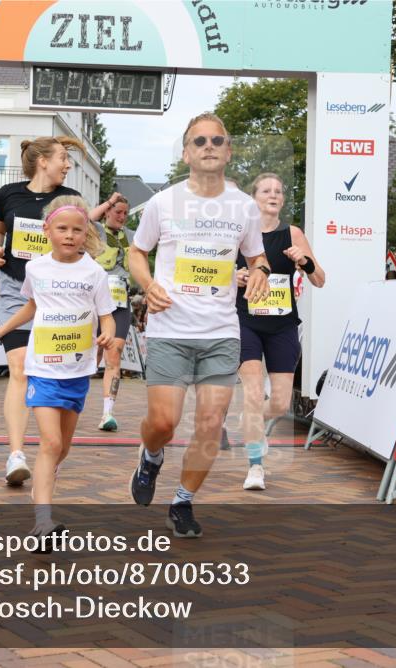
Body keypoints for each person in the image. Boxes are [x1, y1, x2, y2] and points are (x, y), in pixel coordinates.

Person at [128, 112, 271, 538]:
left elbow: (256, 256)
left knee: (210, 425)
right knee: (163, 423)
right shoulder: (163, 202)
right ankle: (151, 456)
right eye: (200, 141)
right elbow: (137, 252)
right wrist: (149, 284)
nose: (209, 146)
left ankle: (182, 502)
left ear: (228, 151)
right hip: (170, 328)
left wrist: (261, 271)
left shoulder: (244, 206)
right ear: (186, 153)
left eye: (217, 140)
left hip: (221, 332)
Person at [0, 134, 123, 486]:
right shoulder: (8, 195)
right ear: (42, 160)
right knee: (19, 367)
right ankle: (16, 454)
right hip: (19, 287)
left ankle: (52, 453)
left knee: (56, 390)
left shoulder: (70, 199)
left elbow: (86, 237)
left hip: (62, 299)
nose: (67, 164)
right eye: (63, 157)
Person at [0, 196, 116, 544]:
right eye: (62, 229)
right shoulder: (36, 268)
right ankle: (43, 523)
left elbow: (106, 315)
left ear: (86, 233)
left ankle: (44, 481)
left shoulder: (94, 273)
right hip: (42, 368)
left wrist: (107, 334)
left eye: (77, 230)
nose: (69, 235)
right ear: (47, 230)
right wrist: (2, 329)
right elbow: (31, 305)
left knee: (61, 448)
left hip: (77, 370)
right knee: (50, 442)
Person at [234, 173, 325, 491]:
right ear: (253, 198)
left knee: (279, 403)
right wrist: (235, 277)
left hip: (282, 324)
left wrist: (305, 262)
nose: (273, 195)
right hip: (246, 320)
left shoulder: (292, 234)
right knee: (253, 393)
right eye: (266, 191)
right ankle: (255, 466)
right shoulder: (240, 233)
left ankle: (252, 422)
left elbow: (320, 279)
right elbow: (217, 277)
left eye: (278, 191)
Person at [93, 194, 134, 431]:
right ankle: (71, 404)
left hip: (120, 302)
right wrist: (109, 202)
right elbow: (86, 219)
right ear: (108, 211)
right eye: (118, 211)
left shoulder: (131, 236)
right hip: (94, 302)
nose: (122, 217)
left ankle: (107, 413)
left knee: (114, 354)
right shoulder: (97, 230)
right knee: (91, 356)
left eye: (125, 213)